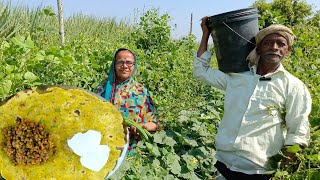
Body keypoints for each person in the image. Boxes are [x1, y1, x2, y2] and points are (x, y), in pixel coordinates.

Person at [193, 17, 312, 180]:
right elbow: (201, 72)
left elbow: (298, 128)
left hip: (258, 171)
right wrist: (206, 34)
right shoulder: (237, 76)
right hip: (223, 164)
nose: (274, 47)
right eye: (268, 43)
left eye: (281, 44)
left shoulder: (293, 86)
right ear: (259, 48)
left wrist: (286, 166)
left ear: (288, 50)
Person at [96, 48, 158, 154]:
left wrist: (142, 127)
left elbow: (154, 123)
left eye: (129, 62)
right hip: (104, 146)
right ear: (114, 66)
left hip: (133, 148)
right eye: (120, 62)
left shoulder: (141, 91)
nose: (125, 66)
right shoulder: (103, 88)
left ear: (134, 66)